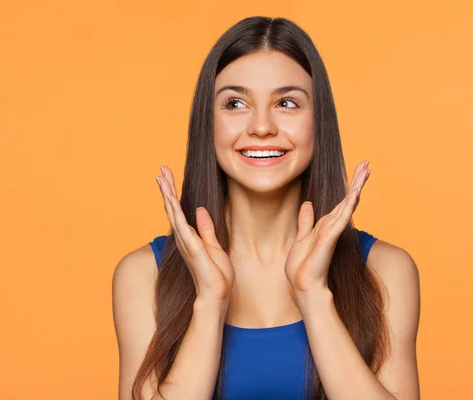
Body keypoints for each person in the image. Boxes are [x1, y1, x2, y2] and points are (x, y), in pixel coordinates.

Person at [112, 16, 420, 400]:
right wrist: (210, 301)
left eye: (287, 103)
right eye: (236, 103)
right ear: (208, 123)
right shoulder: (144, 276)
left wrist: (313, 294)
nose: (261, 126)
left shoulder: (386, 270)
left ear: (318, 122)